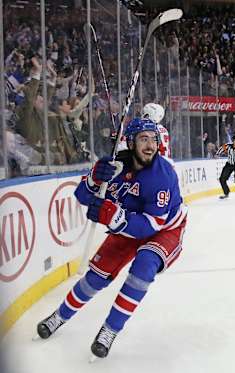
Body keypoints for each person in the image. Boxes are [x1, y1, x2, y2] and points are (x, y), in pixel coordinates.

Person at [36, 118, 188, 359]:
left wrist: (114, 216)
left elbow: (152, 224)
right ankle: (59, 316)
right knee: (95, 277)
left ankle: (110, 329)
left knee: (144, 266)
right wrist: (94, 178)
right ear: (130, 142)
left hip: (164, 229)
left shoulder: (162, 175)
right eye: (143, 139)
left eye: (154, 140)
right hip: (128, 225)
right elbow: (82, 196)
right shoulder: (116, 166)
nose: (150, 145)